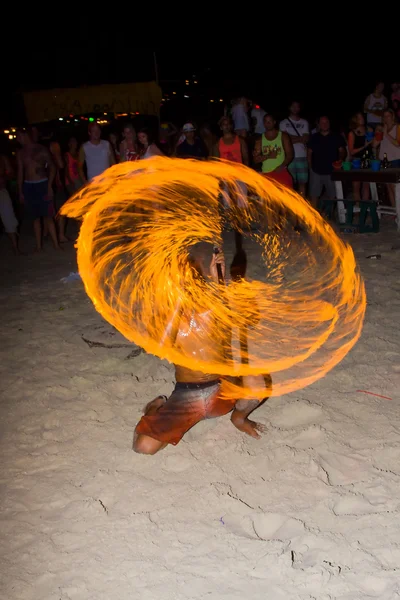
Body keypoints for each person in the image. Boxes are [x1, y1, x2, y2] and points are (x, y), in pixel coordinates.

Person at [133, 249, 270, 455]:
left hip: (222, 388)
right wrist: (178, 301)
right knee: (144, 447)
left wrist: (221, 285)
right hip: (187, 395)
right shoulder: (164, 317)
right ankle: (155, 406)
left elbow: (250, 319)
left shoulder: (214, 304)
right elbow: (160, 348)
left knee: (258, 381)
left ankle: (238, 418)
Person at [16, 129, 60, 251]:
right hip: (29, 186)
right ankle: (39, 246)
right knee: (35, 217)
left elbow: (52, 167)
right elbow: (20, 172)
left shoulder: (40, 149)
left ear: (24, 135)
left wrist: (50, 185)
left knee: (48, 216)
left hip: (42, 184)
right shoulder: (21, 153)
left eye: (18, 136)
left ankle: (56, 245)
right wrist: (20, 191)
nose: (17, 139)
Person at [346, 113, 379, 231]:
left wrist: (376, 140)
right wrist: (365, 145)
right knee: (356, 186)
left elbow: (373, 145)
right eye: (359, 117)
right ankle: (359, 209)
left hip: (368, 160)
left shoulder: (369, 129)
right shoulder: (352, 133)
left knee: (366, 186)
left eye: (362, 117)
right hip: (356, 161)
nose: (362, 119)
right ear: (355, 119)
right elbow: (352, 151)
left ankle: (364, 211)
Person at [307, 116, 346, 214]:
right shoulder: (313, 137)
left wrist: (340, 160)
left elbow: (342, 151)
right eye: (322, 122)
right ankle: (314, 216)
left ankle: (329, 215)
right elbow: (309, 153)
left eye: (326, 122)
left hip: (332, 171)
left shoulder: (337, 137)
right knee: (314, 195)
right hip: (316, 170)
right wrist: (310, 167)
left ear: (329, 123)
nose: (324, 124)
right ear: (319, 125)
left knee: (332, 195)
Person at [253, 114, 294, 188]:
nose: (267, 124)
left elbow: (290, 155)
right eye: (265, 122)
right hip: (267, 173)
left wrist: (281, 166)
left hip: (281, 171)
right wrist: (268, 156)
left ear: (274, 122)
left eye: (269, 121)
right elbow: (256, 160)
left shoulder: (283, 136)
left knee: (285, 198)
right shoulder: (260, 139)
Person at [279, 101, 309, 196]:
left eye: (297, 107)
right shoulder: (283, 123)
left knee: (302, 182)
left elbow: (306, 139)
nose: (295, 109)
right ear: (289, 108)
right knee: (289, 184)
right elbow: (284, 139)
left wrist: (290, 138)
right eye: (293, 106)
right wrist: (299, 138)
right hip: (289, 157)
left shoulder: (304, 122)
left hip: (302, 156)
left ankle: (301, 205)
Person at [379, 109, 400, 208]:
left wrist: (386, 134)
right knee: (388, 187)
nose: (386, 118)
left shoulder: (398, 127)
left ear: (393, 117)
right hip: (384, 161)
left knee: (395, 187)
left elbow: (397, 143)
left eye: (388, 116)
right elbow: (375, 145)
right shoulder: (382, 129)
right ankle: (395, 210)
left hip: (395, 160)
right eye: (385, 116)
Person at [0, 154, 20, 254]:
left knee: (9, 219)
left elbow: (11, 174)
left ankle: (15, 248)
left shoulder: (2, 158)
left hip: (1, 191)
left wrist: (4, 176)